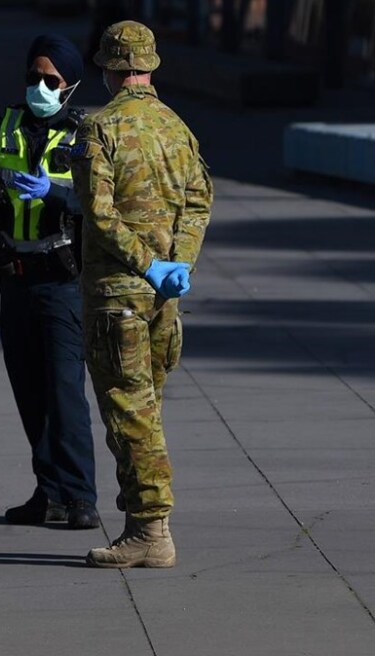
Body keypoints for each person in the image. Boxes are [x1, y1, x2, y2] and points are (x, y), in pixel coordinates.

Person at [70, 21, 213, 568]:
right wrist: (178, 264)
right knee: (147, 407)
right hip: (164, 297)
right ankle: (144, 521)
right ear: (150, 67)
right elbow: (198, 201)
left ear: (108, 69)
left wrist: (149, 265)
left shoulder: (100, 128)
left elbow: (100, 215)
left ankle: (150, 530)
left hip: (117, 295)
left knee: (131, 411)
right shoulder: (178, 128)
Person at [0, 34, 100, 530]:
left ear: (70, 85)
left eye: (50, 80)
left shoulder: (87, 133)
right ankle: (49, 492)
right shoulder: (8, 121)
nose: (39, 86)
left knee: (65, 392)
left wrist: (56, 194)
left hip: (62, 281)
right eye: (32, 77)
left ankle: (80, 495)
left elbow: (100, 206)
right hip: (14, 277)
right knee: (28, 392)